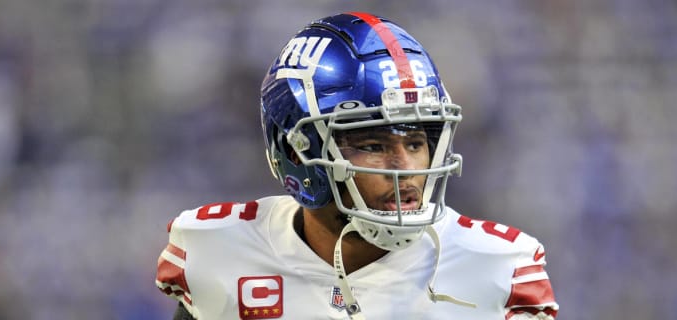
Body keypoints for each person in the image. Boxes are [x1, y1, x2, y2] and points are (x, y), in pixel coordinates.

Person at [155, 11, 558, 319]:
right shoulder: (219, 253)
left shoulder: (497, 270)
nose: (405, 168)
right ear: (297, 153)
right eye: (372, 144)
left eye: (416, 142)